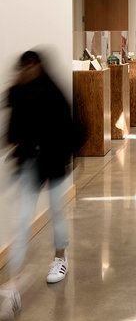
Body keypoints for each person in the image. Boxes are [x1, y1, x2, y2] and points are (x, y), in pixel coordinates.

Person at [1, 50, 82, 319]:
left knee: (57, 211)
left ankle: (61, 257)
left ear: (38, 66)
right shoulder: (16, 93)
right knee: (23, 219)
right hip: (29, 164)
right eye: (24, 68)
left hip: (54, 161)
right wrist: (16, 148)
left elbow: (69, 126)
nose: (28, 72)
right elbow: (11, 130)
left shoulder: (53, 92)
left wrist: (73, 154)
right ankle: (12, 281)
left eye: (32, 67)